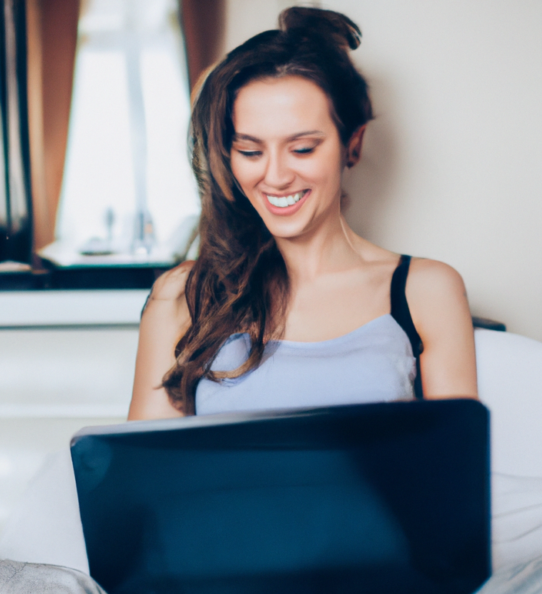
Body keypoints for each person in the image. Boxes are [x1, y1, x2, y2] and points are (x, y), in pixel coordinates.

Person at [129, 6, 477, 421]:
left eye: (302, 148)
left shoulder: (425, 291)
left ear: (353, 144)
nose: (275, 177)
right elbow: (143, 473)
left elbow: (455, 472)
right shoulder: (183, 296)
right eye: (250, 151)